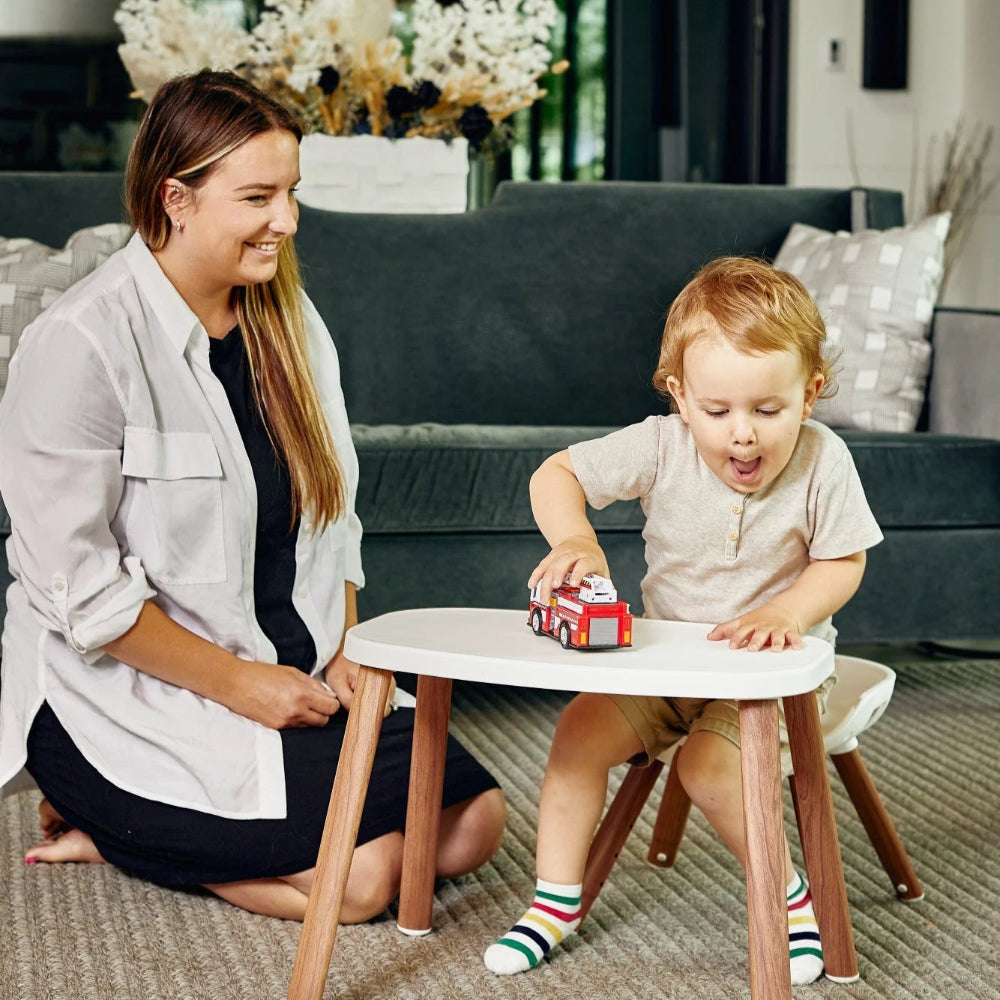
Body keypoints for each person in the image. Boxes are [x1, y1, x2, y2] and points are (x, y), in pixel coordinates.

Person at [0, 69, 505, 923]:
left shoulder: (289, 320)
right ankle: (113, 829)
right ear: (177, 198)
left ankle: (147, 835)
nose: (288, 221)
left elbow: (334, 514)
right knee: (366, 882)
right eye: (259, 197)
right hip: (127, 697)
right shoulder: (80, 345)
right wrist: (244, 687)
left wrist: (348, 646)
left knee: (472, 826)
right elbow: (80, 596)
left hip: (292, 679)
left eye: (292, 193)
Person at [483, 256, 883, 984]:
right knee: (576, 736)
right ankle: (554, 902)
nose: (742, 436)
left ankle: (788, 898)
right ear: (679, 396)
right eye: (717, 410)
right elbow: (556, 474)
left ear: (810, 395)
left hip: (764, 680)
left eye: (769, 410)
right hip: (666, 664)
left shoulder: (826, 460)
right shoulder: (661, 444)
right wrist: (577, 540)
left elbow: (844, 563)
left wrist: (786, 611)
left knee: (707, 764)